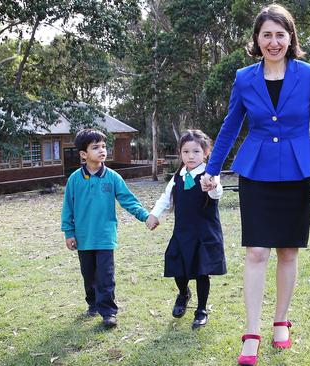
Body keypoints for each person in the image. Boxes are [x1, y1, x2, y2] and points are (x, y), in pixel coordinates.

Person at [200, 4, 310, 365]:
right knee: (257, 251)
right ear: (256, 40)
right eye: (266, 35)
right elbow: (231, 126)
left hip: (298, 172)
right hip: (256, 172)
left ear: (290, 38)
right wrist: (212, 168)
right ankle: (252, 331)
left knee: (288, 252)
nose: (273, 41)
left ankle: (281, 321)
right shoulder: (244, 77)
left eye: (280, 34)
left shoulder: (309, 75)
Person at [61, 129, 150, 328]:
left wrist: (145, 216)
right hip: (83, 238)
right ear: (83, 154)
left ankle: (108, 312)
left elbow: (128, 201)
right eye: (95, 147)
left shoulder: (113, 178)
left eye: (103, 146)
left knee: (105, 275)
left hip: (105, 236)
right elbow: (68, 208)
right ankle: (92, 303)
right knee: (89, 274)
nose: (102, 150)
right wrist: (69, 233)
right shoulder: (75, 179)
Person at [145, 130, 226, 330]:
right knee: (176, 266)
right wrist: (154, 214)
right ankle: (183, 293)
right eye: (186, 151)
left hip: (205, 233)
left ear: (206, 152)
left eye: (196, 151)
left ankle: (201, 310)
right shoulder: (177, 177)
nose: (191, 156)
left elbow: (217, 194)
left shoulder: (210, 174)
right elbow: (166, 197)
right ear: (180, 154)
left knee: (201, 272)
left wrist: (212, 185)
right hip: (182, 232)